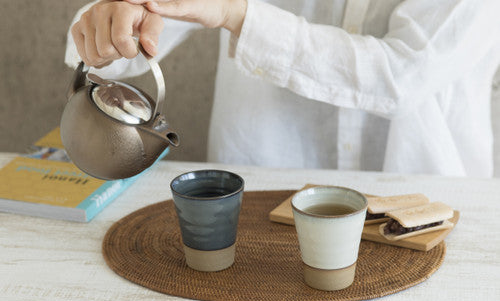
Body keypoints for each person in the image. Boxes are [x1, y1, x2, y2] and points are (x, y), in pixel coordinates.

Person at [66, 0, 500, 177]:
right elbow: (139, 33)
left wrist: (240, 16)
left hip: (428, 204)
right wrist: (110, 22)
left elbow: (402, 77)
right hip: (260, 201)